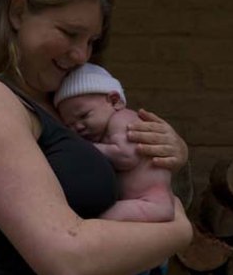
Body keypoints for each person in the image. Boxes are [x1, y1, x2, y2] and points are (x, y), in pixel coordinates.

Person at [0, 0, 192, 275]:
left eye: (91, 41)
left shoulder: (62, 104)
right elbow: (65, 257)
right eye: (70, 33)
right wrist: (179, 229)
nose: (83, 55)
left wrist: (169, 153)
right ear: (17, 13)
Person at [55, 63, 175, 275]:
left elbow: (126, 156)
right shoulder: (108, 123)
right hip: (144, 203)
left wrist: (89, 148)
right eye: (70, 125)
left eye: (83, 116)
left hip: (151, 203)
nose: (78, 128)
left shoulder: (123, 119)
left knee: (98, 223)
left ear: (114, 100)